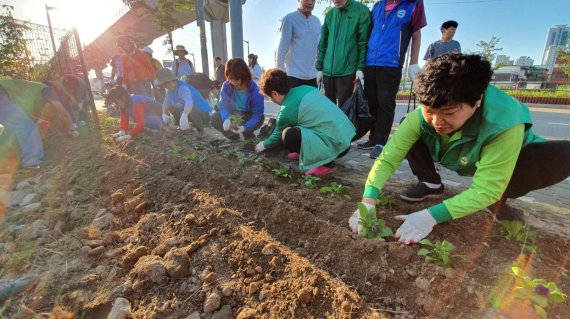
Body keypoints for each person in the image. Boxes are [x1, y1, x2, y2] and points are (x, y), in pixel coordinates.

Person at [348, 54, 570, 244]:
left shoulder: (504, 122)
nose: (437, 121)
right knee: (410, 127)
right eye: (429, 111)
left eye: (449, 113)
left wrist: (430, 216)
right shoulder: (424, 116)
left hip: (513, 161)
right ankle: (430, 182)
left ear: (477, 100)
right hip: (463, 155)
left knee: (561, 156)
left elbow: (486, 189)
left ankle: (499, 201)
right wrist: (368, 202)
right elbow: (388, 158)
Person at [358, 0, 427, 157]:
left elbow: (416, 34)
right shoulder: (378, 6)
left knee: (385, 103)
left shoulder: (413, 4)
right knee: (372, 102)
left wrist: (413, 62)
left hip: (391, 63)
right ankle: (373, 139)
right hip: (371, 61)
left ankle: (381, 143)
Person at [255, 69, 355, 176]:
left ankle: (326, 164)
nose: (271, 100)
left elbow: (276, 135)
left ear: (274, 93)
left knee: (289, 135)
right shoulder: (305, 88)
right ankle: (305, 153)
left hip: (338, 147)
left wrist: (263, 145)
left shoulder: (287, 110)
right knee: (301, 125)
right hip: (346, 138)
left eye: (269, 97)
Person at [0, 79, 78, 169]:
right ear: (53, 88)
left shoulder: (30, 89)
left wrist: (37, 121)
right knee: (27, 128)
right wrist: (72, 130)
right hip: (1, 92)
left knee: (9, 131)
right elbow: (63, 113)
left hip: (3, 93)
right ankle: (31, 162)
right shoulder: (47, 89)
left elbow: (22, 114)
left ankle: (8, 160)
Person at [316, 0, 371, 106]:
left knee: (345, 110)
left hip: (347, 71)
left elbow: (363, 42)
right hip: (327, 72)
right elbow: (323, 43)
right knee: (328, 110)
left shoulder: (361, 11)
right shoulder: (330, 14)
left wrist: (360, 67)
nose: (335, 1)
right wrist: (319, 68)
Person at [212, 58, 265, 140]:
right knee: (215, 117)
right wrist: (226, 118)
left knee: (260, 118)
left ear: (245, 76)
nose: (233, 82)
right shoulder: (226, 86)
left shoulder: (255, 90)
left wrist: (244, 127)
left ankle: (247, 133)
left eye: (237, 79)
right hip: (232, 115)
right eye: (231, 79)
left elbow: (257, 115)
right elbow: (223, 105)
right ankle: (234, 137)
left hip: (247, 116)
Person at [276, 0, 321, 88]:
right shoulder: (289, 19)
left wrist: (320, 70)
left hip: (313, 76)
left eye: (313, 0)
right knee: (295, 102)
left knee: (310, 102)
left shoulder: (317, 21)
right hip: (293, 75)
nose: (310, 3)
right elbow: (282, 47)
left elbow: (318, 48)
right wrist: (280, 72)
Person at [156, 68, 212, 133]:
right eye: (164, 85)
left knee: (191, 110)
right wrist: (164, 113)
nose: (166, 86)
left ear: (171, 80)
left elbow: (189, 103)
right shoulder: (170, 91)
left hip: (203, 114)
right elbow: (165, 103)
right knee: (171, 107)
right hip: (189, 114)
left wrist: (185, 115)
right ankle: (181, 125)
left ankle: (201, 130)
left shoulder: (183, 87)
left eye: (166, 84)